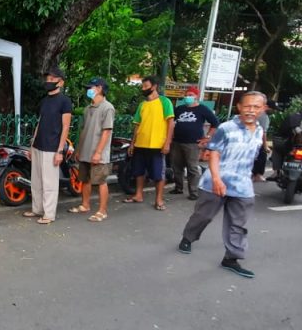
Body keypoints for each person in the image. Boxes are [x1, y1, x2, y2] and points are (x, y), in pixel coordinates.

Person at [178, 91, 268, 279]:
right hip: (215, 182)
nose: (251, 110)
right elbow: (214, 154)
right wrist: (218, 179)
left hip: (243, 186)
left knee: (238, 224)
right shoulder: (226, 128)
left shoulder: (259, 130)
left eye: (256, 106)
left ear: (263, 109)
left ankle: (231, 258)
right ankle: (188, 238)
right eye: (247, 106)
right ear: (239, 107)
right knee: (203, 216)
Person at [23, 66, 71, 225]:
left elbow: (65, 127)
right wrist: (32, 145)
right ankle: (37, 209)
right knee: (36, 180)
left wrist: (60, 151)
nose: (48, 82)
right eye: (47, 79)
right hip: (38, 145)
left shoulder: (65, 101)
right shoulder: (44, 101)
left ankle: (49, 214)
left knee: (49, 182)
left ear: (61, 82)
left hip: (52, 147)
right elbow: (39, 123)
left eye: (52, 79)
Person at [125, 76, 175, 210]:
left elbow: (171, 123)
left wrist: (167, 143)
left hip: (157, 145)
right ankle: (138, 195)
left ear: (154, 86)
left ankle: (158, 200)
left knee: (159, 174)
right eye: (142, 86)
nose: (143, 89)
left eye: (146, 86)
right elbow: (137, 125)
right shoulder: (142, 105)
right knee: (138, 172)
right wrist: (132, 143)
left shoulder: (165, 102)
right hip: (140, 144)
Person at [71, 77, 115, 222]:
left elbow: (106, 131)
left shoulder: (107, 107)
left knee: (101, 181)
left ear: (100, 88)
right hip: (85, 151)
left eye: (91, 87)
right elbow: (83, 131)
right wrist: (78, 150)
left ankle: (102, 211)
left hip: (99, 153)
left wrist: (98, 152)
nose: (88, 90)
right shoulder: (87, 108)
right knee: (85, 179)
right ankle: (85, 205)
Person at [170, 86, 220, 200]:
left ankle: (194, 192)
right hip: (177, 141)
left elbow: (215, 123)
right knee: (176, 166)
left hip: (193, 143)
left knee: (192, 168)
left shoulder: (202, 109)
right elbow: (171, 121)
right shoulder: (179, 109)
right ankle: (178, 188)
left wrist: (207, 137)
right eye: (187, 95)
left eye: (191, 95)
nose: (188, 97)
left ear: (196, 96)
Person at [252, 103, 273, 182]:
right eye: (272, 109)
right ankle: (258, 175)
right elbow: (263, 133)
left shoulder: (257, 113)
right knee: (262, 155)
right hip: (257, 140)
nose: (273, 111)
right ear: (267, 107)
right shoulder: (264, 116)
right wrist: (265, 146)